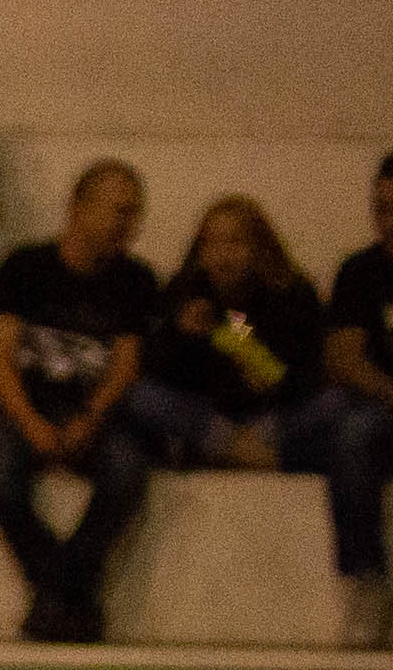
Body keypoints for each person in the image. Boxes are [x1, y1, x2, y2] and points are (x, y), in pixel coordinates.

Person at [0, 158, 164, 642]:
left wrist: (91, 417)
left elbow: (126, 364)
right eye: (120, 212)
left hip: (96, 410)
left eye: (135, 214)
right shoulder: (24, 267)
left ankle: (54, 595)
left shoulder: (137, 280)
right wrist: (30, 421)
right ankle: (71, 590)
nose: (131, 227)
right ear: (79, 209)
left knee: (127, 472)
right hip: (26, 404)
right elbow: (0, 361)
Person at [141, 190, 328, 477]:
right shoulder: (186, 290)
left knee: (340, 403)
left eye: (235, 242)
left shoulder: (291, 293)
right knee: (140, 396)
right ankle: (243, 452)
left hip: (274, 418)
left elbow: (305, 378)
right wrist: (181, 334)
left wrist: (252, 356)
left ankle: (241, 452)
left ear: (258, 246)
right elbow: (159, 373)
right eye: (212, 244)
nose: (223, 255)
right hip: (211, 422)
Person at [305, 149, 393, 644]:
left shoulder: (283, 294)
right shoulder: (361, 272)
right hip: (364, 410)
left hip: (303, 401)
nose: (387, 222)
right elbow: (341, 359)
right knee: (348, 424)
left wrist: (233, 337)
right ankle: (365, 582)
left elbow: (273, 368)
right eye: (379, 209)